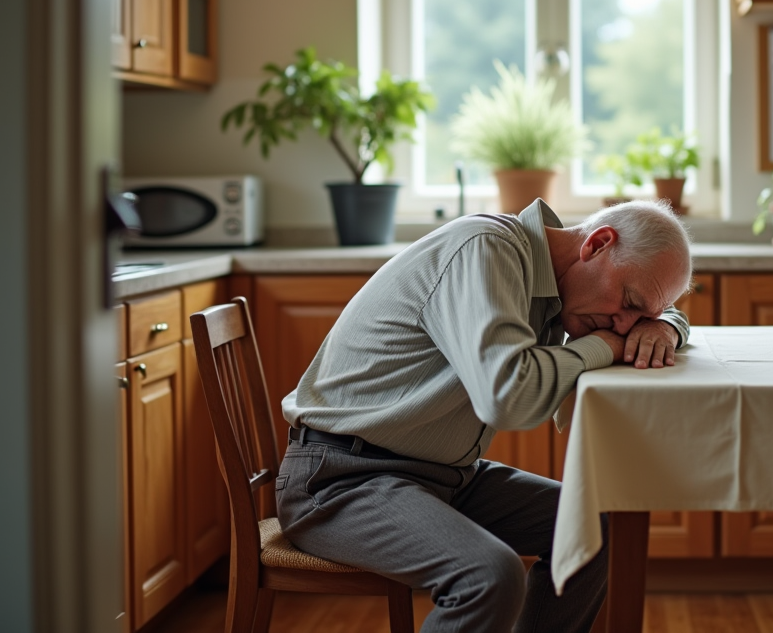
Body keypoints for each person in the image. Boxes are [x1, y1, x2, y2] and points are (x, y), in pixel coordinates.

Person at [276, 198, 693, 632]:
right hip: (340, 480)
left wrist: (663, 326)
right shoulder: (485, 249)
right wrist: (603, 347)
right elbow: (508, 395)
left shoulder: (554, 282)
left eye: (639, 316)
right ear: (598, 244)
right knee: (489, 576)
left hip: (442, 477)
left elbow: (668, 314)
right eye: (629, 303)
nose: (623, 326)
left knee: (596, 533)